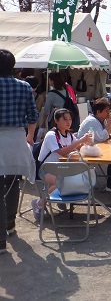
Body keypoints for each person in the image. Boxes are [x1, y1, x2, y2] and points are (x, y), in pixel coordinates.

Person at [0, 49, 38, 254]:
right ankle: (9, 224)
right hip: (16, 139)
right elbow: (33, 116)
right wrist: (30, 137)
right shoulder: (24, 87)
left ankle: (0, 241)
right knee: (13, 183)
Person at [31, 109, 92, 222]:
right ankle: (39, 203)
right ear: (56, 120)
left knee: (78, 178)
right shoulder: (51, 135)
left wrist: (86, 142)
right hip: (45, 169)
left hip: (62, 169)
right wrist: (80, 142)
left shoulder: (69, 134)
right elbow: (62, 152)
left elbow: (77, 147)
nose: (68, 122)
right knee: (64, 182)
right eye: (65, 119)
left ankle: (59, 199)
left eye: (70, 119)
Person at [77, 98, 111, 193]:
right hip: (85, 150)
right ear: (98, 112)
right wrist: (109, 125)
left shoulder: (98, 120)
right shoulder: (92, 121)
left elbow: (104, 136)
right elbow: (102, 137)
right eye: (106, 111)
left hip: (93, 147)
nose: (108, 113)